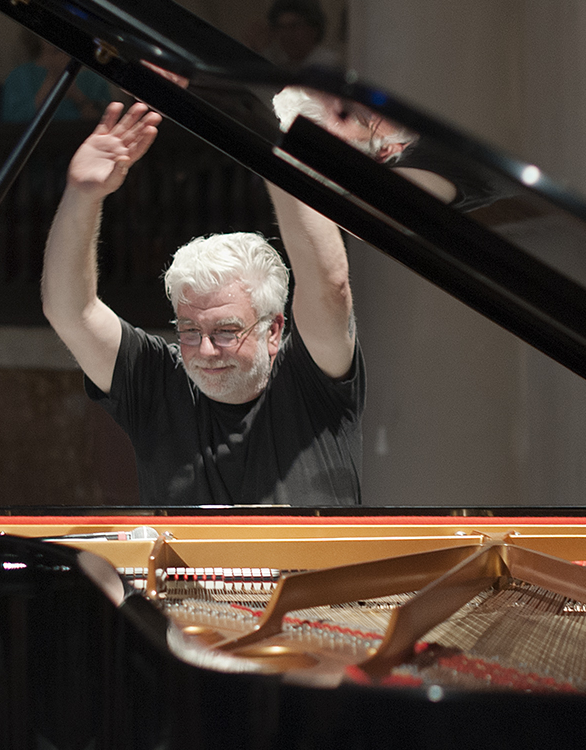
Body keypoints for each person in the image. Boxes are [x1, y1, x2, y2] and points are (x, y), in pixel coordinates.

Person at [42, 96, 364, 505]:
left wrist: (275, 157)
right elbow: (71, 313)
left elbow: (330, 287)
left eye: (226, 331)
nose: (205, 351)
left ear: (274, 329)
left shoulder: (311, 378)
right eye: (190, 330)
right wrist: (82, 196)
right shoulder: (158, 381)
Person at [0, 29, 111, 122]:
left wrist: (77, 96)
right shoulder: (20, 76)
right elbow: (11, 123)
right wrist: (52, 78)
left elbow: (104, 123)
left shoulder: (94, 80)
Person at [260, 0, 343, 70]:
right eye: (281, 27)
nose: (286, 34)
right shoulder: (279, 64)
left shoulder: (329, 65)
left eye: (294, 26)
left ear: (314, 29)